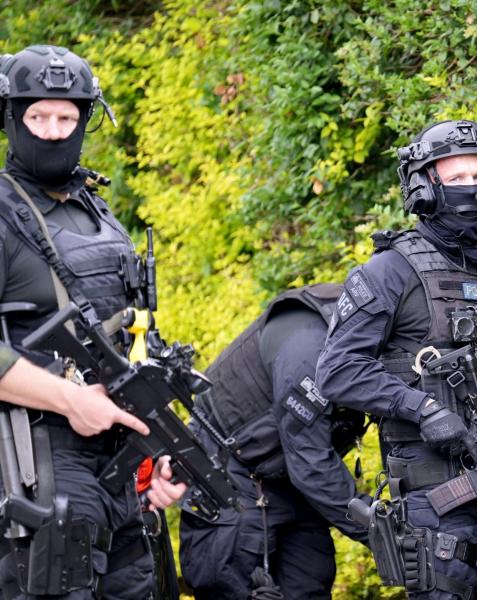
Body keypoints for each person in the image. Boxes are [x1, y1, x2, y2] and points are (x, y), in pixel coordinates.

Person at [315, 119, 477, 599]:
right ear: (425, 185)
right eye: (455, 179)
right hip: (436, 494)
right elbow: (338, 371)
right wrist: (423, 409)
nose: (470, 190)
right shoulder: (388, 272)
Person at [0, 45, 186, 598]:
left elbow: (135, 339)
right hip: (34, 468)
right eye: (38, 116)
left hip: (118, 473)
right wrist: (67, 399)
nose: (53, 131)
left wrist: (158, 450)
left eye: (66, 117)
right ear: (12, 119)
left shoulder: (98, 212)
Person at [179, 283, 371, 600]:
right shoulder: (308, 349)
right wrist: (381, 529)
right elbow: (311, 466)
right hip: (233, 466)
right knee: (229, 582)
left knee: (309, 581)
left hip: (293, 472)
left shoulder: (385, 336)